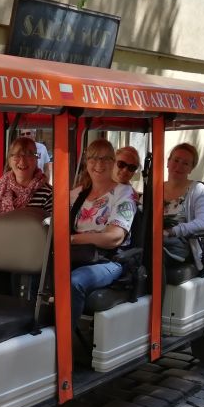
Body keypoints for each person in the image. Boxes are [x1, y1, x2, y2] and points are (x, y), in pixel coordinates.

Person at [69, 139, 139, 327]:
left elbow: (114, 237)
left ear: (113, 162)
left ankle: (64, 345)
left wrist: (74, 239)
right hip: (76, 255)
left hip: (109, 260)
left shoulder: (124, 193)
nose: (98, 164)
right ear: (86, 162)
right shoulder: (76, 194)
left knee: (73, 282)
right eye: (93, 159)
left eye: (105, 159)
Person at [162, 143, 204, 267]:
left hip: (181, 248)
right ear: (168, 162)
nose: (179, 166)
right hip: (153, 242)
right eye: (176, 160)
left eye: (185, 163)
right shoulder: (155, 188)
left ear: (191, 168)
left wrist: (172, 231)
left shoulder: (197, 190)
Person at [0, 136, 52, 216]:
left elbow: (49, 226)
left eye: (28, 155)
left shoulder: (48, 194)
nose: (22, 161)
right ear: (9, 161)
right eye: (17, 155)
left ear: (36, 159)